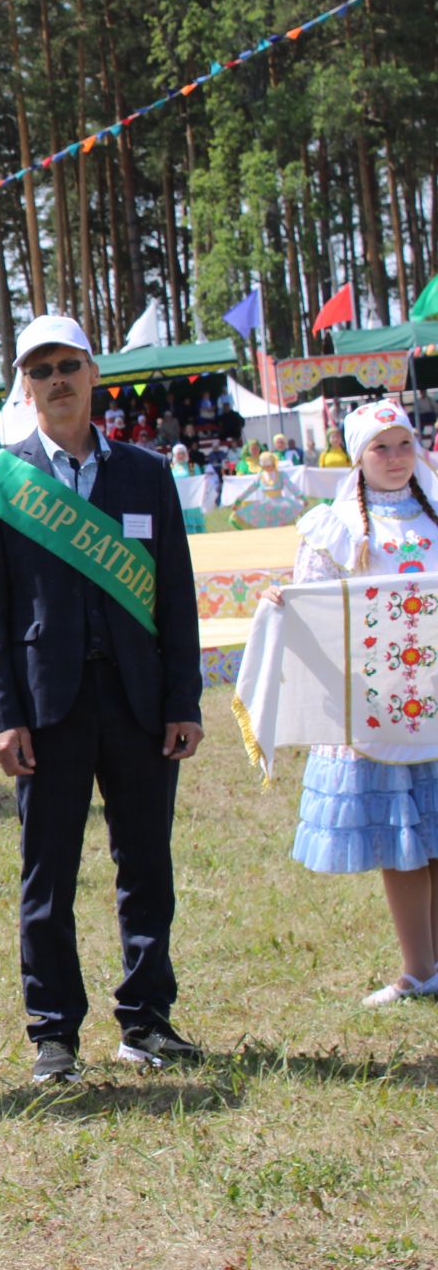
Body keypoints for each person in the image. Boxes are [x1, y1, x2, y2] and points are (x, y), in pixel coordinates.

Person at [0, 315, 204, 1085]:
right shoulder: (0, 486)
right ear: (23, 386)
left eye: (69, 365)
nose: (57, 380)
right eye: (41, 369)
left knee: (147, 868)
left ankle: (147, 1021)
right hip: (46, 709)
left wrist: (183, 700)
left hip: (137, 702)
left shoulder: (146, 474)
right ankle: (54, 1034)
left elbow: (176, 598)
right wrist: (3, 719)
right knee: (48, 874)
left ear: (94, 375)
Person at [260, 400, 438, 1005]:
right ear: (357, 457)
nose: (394, 459)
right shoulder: (335, 527)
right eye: (379, 448)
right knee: (405, 840)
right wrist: (288, 603)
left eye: (403, 445)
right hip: (380, 707)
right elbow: (314, 599)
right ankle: (418, 968)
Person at [230, 451, 305, 530]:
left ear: (273, 463)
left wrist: (301, 497)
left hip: (281, 502)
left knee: (297, 511)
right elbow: (250, 489)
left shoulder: (281, 474)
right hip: (266, 503)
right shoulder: (260, 476)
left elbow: (291, 486)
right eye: (265, 466)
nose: (267, 468)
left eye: (268, 465)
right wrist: (238, 500)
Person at [169, 444, 208, 536]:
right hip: (177, 499)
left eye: (183, 453)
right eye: (179, 453)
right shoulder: (170, 468)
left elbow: (199, 482)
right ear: (174, 455)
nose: (181, 456)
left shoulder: (193, 467)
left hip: (192, 500)